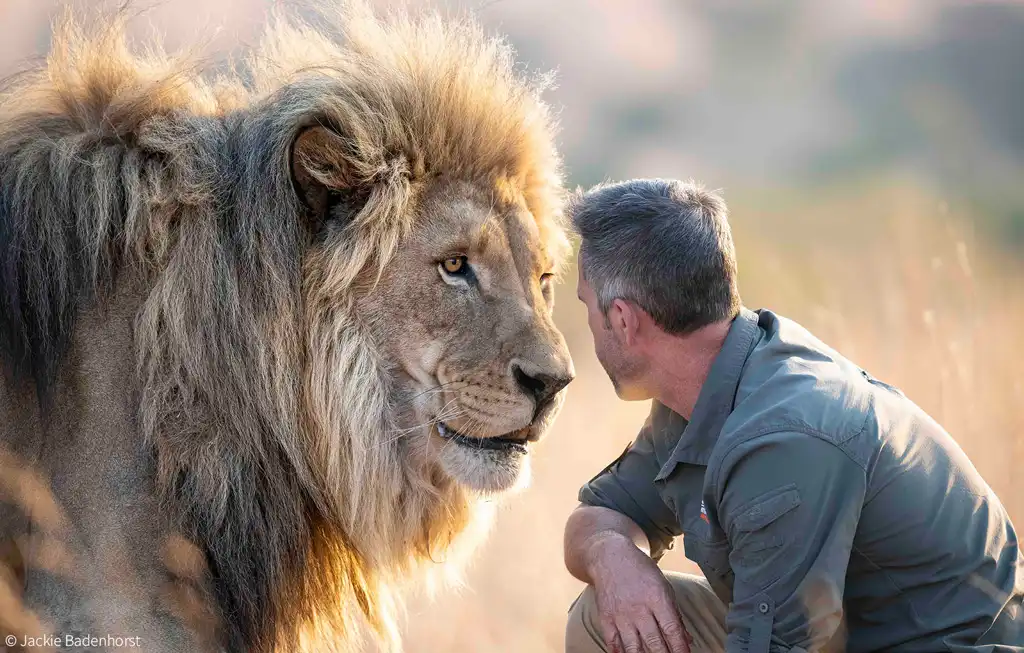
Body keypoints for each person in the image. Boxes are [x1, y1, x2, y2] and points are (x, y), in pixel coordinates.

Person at [562, 179, 1024, 653]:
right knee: (602, 617)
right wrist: (612, 556)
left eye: (586, 306)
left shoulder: (783, 438)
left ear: (622, 319)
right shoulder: (703, 387)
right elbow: (599, 515)